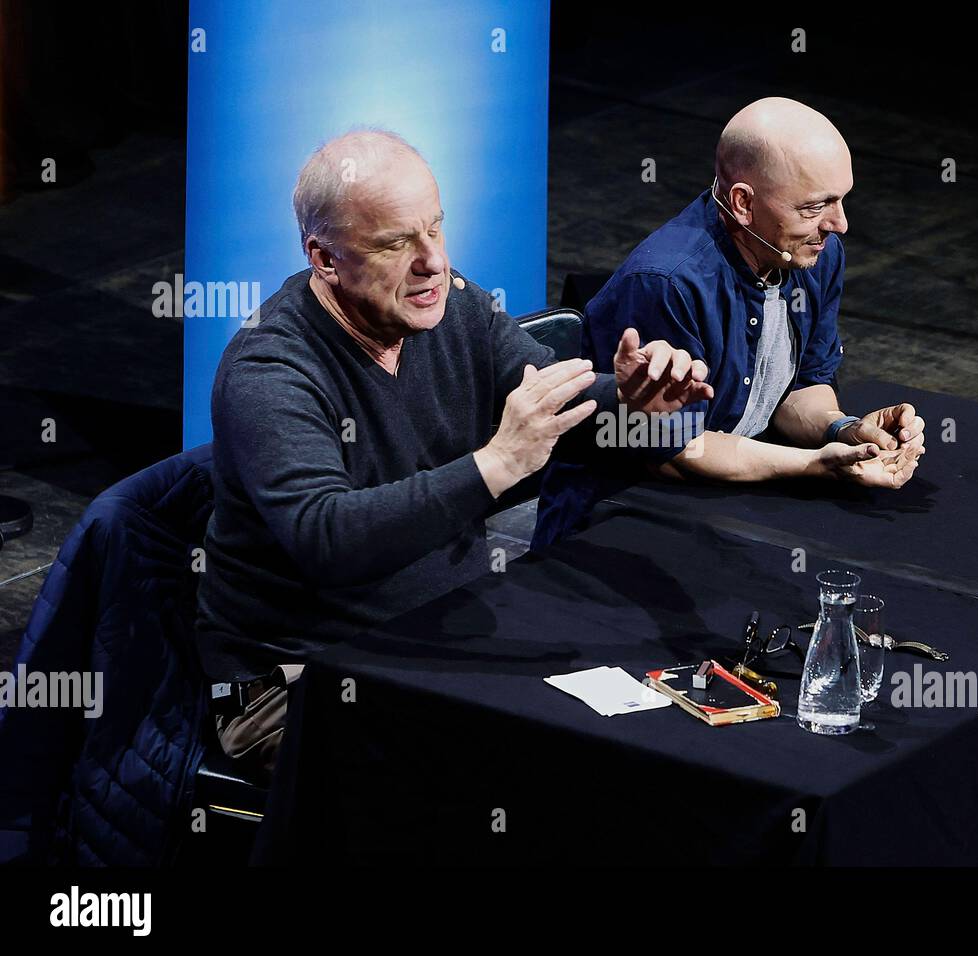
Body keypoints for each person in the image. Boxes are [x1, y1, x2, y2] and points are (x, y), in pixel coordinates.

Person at [194, 129, 712, 775]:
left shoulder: (451, 303)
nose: (432, 261)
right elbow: (327, 539)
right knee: (531, 775)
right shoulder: (270, 373)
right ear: (325, 259)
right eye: (394, 243)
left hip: (448, 621)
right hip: (305, 678)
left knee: (658, 730)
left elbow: (549, 403)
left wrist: (630, 398)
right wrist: (497, 464)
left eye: (435, 229)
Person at [534, 97, 924, 548]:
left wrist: (847, 431)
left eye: (841, 199)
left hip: (732, 493)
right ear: (742, 203)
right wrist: (816, 464)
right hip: (619, 515)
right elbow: (673, 452)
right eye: (816, 207)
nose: (840, 224)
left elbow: (797, 391)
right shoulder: (667, 283)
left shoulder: (815, 254)